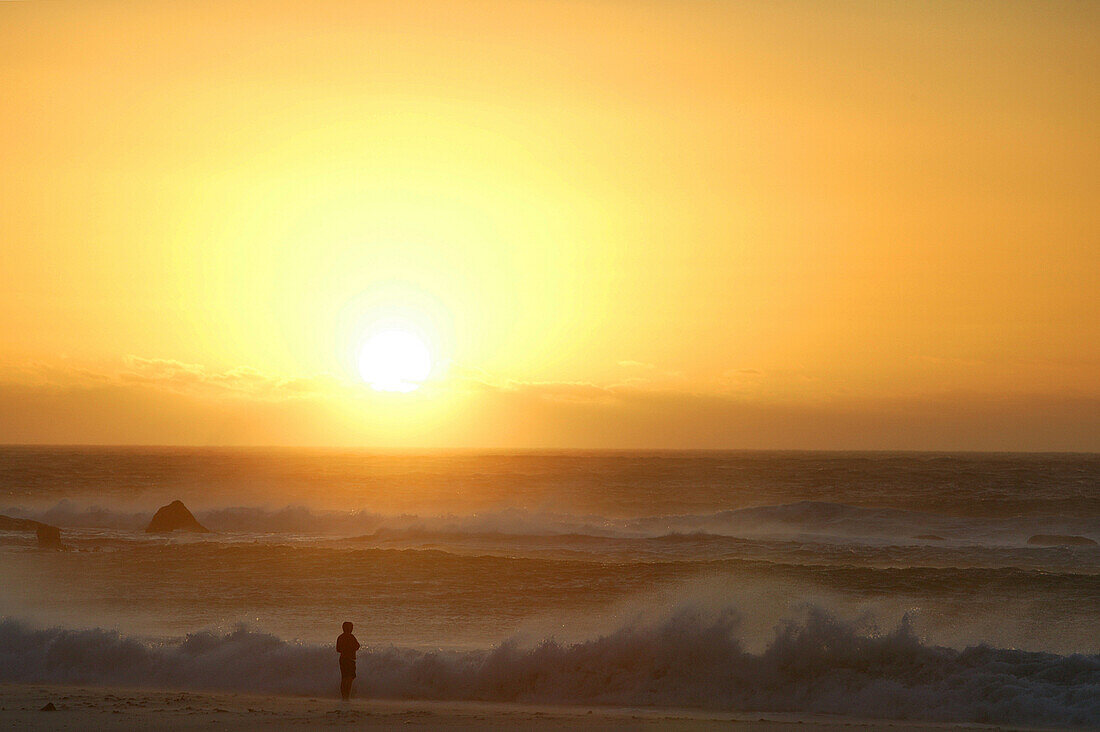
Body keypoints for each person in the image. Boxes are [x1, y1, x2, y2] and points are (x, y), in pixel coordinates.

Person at [336, 621, 360, 701]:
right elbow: (357, 646)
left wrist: (344, 650)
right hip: (350, 659)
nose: (352, 629)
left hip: (342, 659)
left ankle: (344, 696)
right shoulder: (351, 636)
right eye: (351, 627)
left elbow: (338, 649)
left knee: (344, 678)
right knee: (350, 678)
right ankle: (347, 696)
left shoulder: (340, 637)